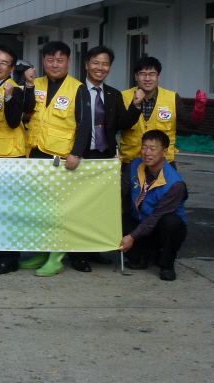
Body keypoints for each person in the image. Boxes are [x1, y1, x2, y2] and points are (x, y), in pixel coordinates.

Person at [20, 41, 91, 277]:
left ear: (69, 62)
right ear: (43, 61)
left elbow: (85, 124)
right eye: (50, 60)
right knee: (38, 210)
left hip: (60, 157)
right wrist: (27, 85)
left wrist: (76, 153)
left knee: (57, 210)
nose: (55, 64)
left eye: (60, 60)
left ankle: (55, 258)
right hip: (35, 153)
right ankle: (41, 253)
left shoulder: (78, 88)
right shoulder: (34, 83)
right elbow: (25, 112)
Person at [73, 46, 143, 273]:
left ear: (110, 67)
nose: (100, 68)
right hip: (81, 156)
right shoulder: (76, 90)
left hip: (105, 157)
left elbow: (122, 123)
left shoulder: (113, 94)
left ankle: (94, 250)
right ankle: (78, 254)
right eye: (95, 62)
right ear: (86, 64)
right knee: (79, 207)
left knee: (99, 206)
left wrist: (135, 105)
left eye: (105, 64)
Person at [0, 45, 35, 276]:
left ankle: (10, 259)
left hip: (11, 156)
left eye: (4, 63)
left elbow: (12, 122)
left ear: (11, 68)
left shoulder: (15, 89)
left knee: (8, 210)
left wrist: (10, 98)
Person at [120, 130, 187, 281]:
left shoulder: (175, 183)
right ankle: (144, 257)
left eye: (153, 148)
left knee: (171, 222)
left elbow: (156, 217)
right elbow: (120, 191)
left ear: (164, 152)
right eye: (144, 147)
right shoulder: (135, 165)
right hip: (140, 221)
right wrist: (113, 169)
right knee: (116, 220)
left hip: (160, 228)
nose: (147, 153)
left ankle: (166, 265)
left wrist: (131, 237)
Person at [120, 56, 206, 171]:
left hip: (163, 163)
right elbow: (114, 126)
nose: (147, 78)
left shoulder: (172, 97)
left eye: (152, 74)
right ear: (136, 76)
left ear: (158, 77)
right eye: (142, 74)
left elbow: (190, 123)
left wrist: (198, 110)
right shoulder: (122, 97)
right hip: (131, 162)